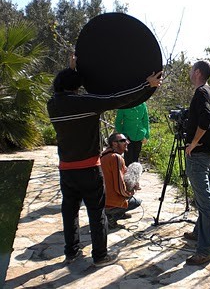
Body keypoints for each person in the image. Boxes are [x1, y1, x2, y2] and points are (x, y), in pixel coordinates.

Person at [47, 54, 162, 267]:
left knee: (69, 211)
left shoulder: (52, 105)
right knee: (96, 212)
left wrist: (70, 70)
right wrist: (147, 85)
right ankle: (100, 256)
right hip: (89, 169)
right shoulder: (86, 103)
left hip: (66, 170)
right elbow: (117, 98)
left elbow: (60, 89)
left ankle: (71, 252)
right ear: (77, 87)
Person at [184, 60, 210, 265]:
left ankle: (206, 249)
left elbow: (206, 119)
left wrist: (194, 143)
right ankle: (199, 233)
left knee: (205, 201)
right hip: (206, 153)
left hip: (199, 154)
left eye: (192, 70)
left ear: (198, 72)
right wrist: (208, 137)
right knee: (207, 195)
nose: (190, 73)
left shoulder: (201, 93)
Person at [101, 133, 142, 229]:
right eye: (123, 141)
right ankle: (113, 216)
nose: (127, 142)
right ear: (114, 144)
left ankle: (117, 212)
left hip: (102, 199)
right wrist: (130, 193)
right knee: (137, 202)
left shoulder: (105, 155)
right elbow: (119, 186)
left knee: (133, 169)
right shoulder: (115, 158)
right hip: (108, 202)